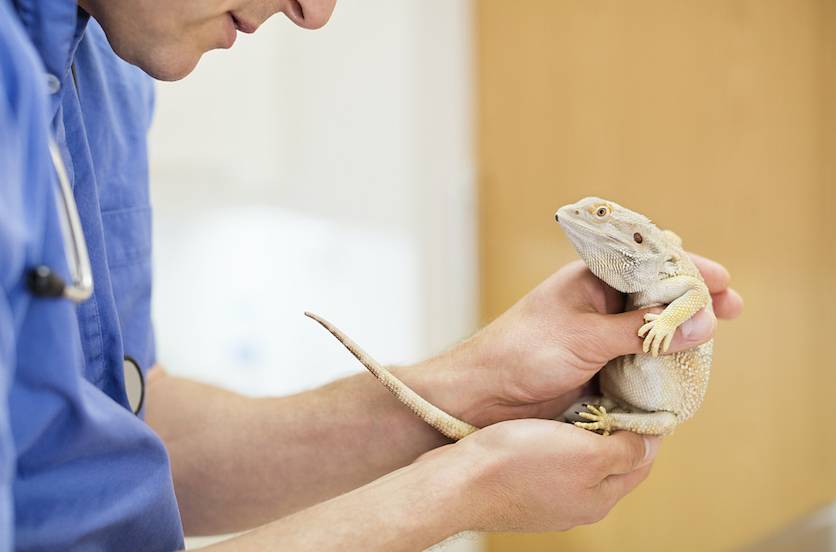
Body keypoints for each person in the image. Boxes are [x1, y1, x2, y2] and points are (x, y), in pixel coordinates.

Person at [0, 0, 744, 550]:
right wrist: (462, 487)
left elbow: (123, 441)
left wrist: (479, 380)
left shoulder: (108, 71)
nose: (316, 12)